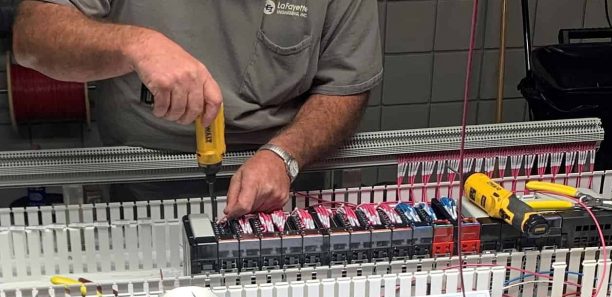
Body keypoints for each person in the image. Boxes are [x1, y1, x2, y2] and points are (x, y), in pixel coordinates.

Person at [12, 0, 382, 218]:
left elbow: (345, 86)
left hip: (283, 184)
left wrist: (285, 156)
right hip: (142, 181)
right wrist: (135, 44)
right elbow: (33, 35)